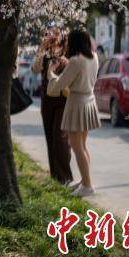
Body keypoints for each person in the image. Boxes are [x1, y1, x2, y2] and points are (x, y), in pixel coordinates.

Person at [47, 29, 101, 197]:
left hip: (77, 103)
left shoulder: (76, 61)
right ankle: (85, 181)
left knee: (76, 147)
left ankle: (87, 186)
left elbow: (60, 84)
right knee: (82, 146)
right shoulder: (94, 56)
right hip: (89, 101)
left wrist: (51, 73)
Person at [32, 29, 73, 185]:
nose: (50, 38)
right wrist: (42, 49)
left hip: (63, 98)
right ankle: (55, 176)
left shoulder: (67, 53)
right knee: (50, 136)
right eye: (48, 35)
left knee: (60, 138)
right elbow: (35, 69)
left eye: (54, 35)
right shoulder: (45, 53)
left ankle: (65, 178)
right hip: (47, 98)